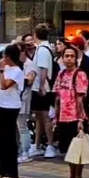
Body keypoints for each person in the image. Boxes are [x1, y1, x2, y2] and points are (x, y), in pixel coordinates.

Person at [53, 44, 88, 170]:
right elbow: (57, 98)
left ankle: (78, 177)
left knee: (77, 150)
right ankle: (72, 176)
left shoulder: (80, 74)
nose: (69, 58)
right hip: (63, 118)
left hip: (75, 118)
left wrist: (80, 119)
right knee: (68, 150)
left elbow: (80, 99)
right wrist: (56, 118)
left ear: (76, 59)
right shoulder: (61, 74)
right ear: (62, 58)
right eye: (66, 56)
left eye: (72, 56)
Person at [0, 44, 24, 178]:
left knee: (10, 138)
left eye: (5, 55)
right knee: (2, 138)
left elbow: (4, 85)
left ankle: (12, 173)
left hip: (11, 107)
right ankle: (2, 170)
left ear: (10, 57)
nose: (3, 58)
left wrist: (1, 71)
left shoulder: (17, 71)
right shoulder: (6, 68)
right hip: (1, 105)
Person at [29, 23, 57, 159]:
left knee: (45, 118)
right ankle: (37, 144)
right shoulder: (44, 48)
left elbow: (43, 69)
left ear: (35, 35)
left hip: (43, 88)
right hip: (41, 87)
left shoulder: (42, 50)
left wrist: (41, 86)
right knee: (39, 117)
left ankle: (50, 145)